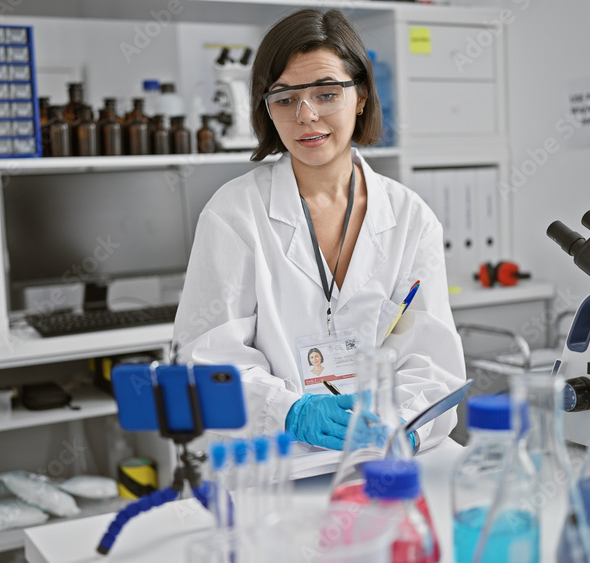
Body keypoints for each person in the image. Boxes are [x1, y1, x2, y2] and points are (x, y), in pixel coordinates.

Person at [173, 8, 466, 453]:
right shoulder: (234, 215)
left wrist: (404, 426)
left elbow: (433, 363)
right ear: (267, 109)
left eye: (327, 94)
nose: (306, 115)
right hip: (270, 462)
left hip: (380, 457)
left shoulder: (410, 218)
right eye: (285, 98)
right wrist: (286, 411)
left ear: (362, 95)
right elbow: (203, 362)